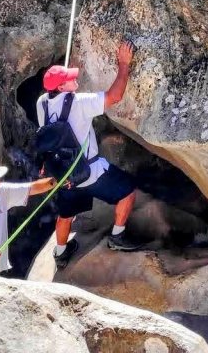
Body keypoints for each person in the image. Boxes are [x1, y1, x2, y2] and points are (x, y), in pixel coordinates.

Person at [37, 40, 140, 268]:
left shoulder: (42, 103)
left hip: (64, 174)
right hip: (90, 172)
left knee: (66, 214)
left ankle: (61, 252)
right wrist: (124, 65)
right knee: (128, 192)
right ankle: (117, 236)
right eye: (70, 79)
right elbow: (115, 96)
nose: (75, 79)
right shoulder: (79, 103)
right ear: (62, 87)